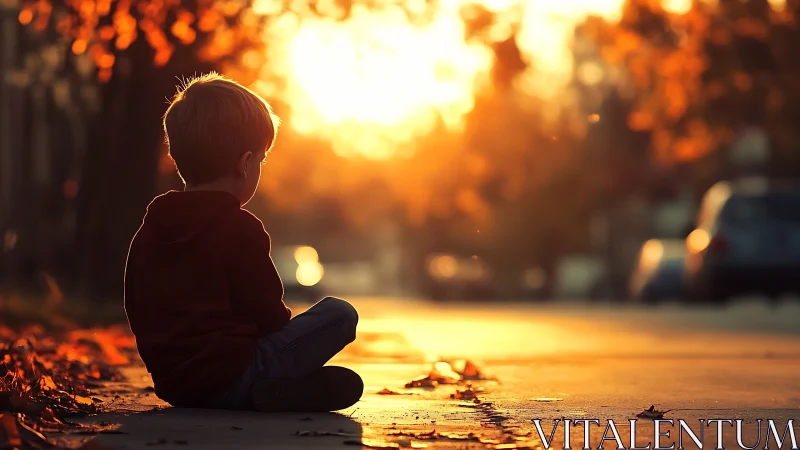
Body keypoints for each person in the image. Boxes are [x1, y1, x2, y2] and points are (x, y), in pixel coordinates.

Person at [124, 73, 362, 412]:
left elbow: (137, 308)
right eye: (261, 159)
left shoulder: (148, 232)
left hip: (176, 386)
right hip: (237, 372)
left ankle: (268, 391)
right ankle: (263, 389)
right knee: (340, 314)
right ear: (245, 163)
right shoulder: (239, 227)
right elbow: (269, 315)